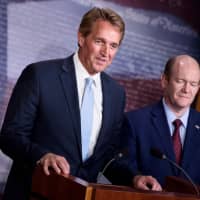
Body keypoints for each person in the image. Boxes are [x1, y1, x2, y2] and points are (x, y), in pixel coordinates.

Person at [0, 7, 126, 200]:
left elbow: (107, 155)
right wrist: (42, 156)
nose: (106, 52)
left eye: (113, 45)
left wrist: (134, 178)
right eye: (99, 41)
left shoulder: (116, 94)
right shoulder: (40, 76)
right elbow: (10, 136)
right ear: (81, 38)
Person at [118, 55, 200, 191]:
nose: (187, 89)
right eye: (180, 81)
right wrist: (136, 177)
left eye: (193, 84)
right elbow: (119, 165)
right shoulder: (135, 122)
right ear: (164, 81)